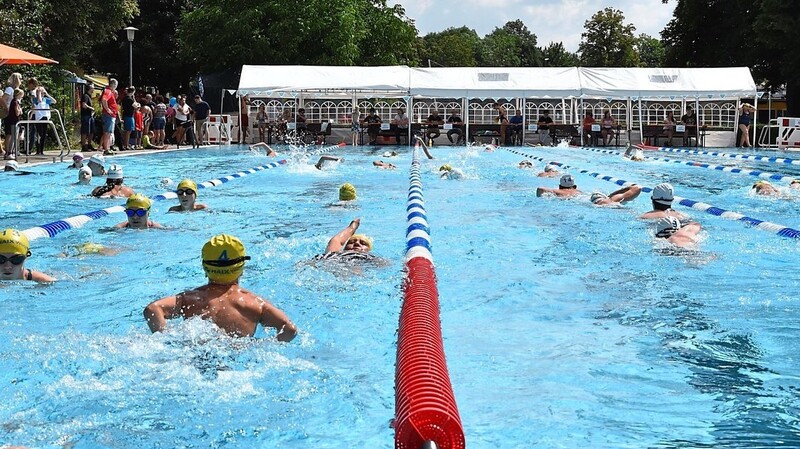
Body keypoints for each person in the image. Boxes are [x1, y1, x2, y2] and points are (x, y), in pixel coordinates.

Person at [144, 234, 297, 339]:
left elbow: (152, 309)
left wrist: (166, 340)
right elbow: (289, 329)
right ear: (241, 267)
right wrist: (257, 347)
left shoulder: (190, 298)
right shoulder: (255, 304)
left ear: (205, 266)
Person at [313, 218, 379, 264]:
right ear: (344, 247)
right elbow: (337, 240)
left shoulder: (373, 259)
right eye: (351, 242)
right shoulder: (334, 254)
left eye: (363, 243)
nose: (357, 243)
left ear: (369, 249)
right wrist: (352, 227)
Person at [28, 79, 56, 155]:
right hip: (39, 118)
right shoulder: (36, 99)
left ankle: (41, 150)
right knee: (39, 134)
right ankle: (38, 150)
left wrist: (47, 94)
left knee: (43, 134)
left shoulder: (46, 99)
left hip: (45, 117)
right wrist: (39, 92)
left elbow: (54, 101)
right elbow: (39, 101)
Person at [2, 88, 23, 159]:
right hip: (14, 121)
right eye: (21, 95)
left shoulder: (13, 101)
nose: (22, 97)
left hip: (13, 121)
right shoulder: (15, 102)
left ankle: (9, 152)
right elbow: (17, 113)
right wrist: (20, 110)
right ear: (18, 95)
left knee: (13, 136)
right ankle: (9, 153)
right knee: (14, 137)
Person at [100, 79, 120, 153]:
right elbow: (104, 99)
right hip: (108, 115)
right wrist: (108, 109)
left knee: (109, 132)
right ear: (114, 85)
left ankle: (107, 148)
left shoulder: (109, 91)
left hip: (111, 115)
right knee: (107, 132)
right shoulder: (108, 91)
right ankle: (106, 149)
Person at [79, 84, 96, 152]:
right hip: (85, 116)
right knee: (85, 131)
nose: (93, 89)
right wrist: (91, 108)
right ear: (90, 88)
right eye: (93, 88)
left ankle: (89, 144)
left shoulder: (89, 96)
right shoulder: (85, 96)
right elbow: (84, 105)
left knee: (91, 131)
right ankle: (84, 146)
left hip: (90, 116)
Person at [120, 86, 136, 151]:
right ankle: (126, 144)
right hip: (129, 116)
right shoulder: (130, 99)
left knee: (126, 131)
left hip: (125, 115)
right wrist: (134, 98)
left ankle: (125, 144)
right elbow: (137, 106)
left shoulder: (124, 99)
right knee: (128, 131)